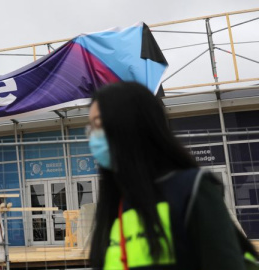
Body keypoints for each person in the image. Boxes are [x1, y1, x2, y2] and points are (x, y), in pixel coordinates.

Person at [87, 82, 258, 270]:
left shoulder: (190, 190)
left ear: (131, 125)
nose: (92, 137)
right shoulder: (115, 202)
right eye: (90, 128)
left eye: (99, 125)